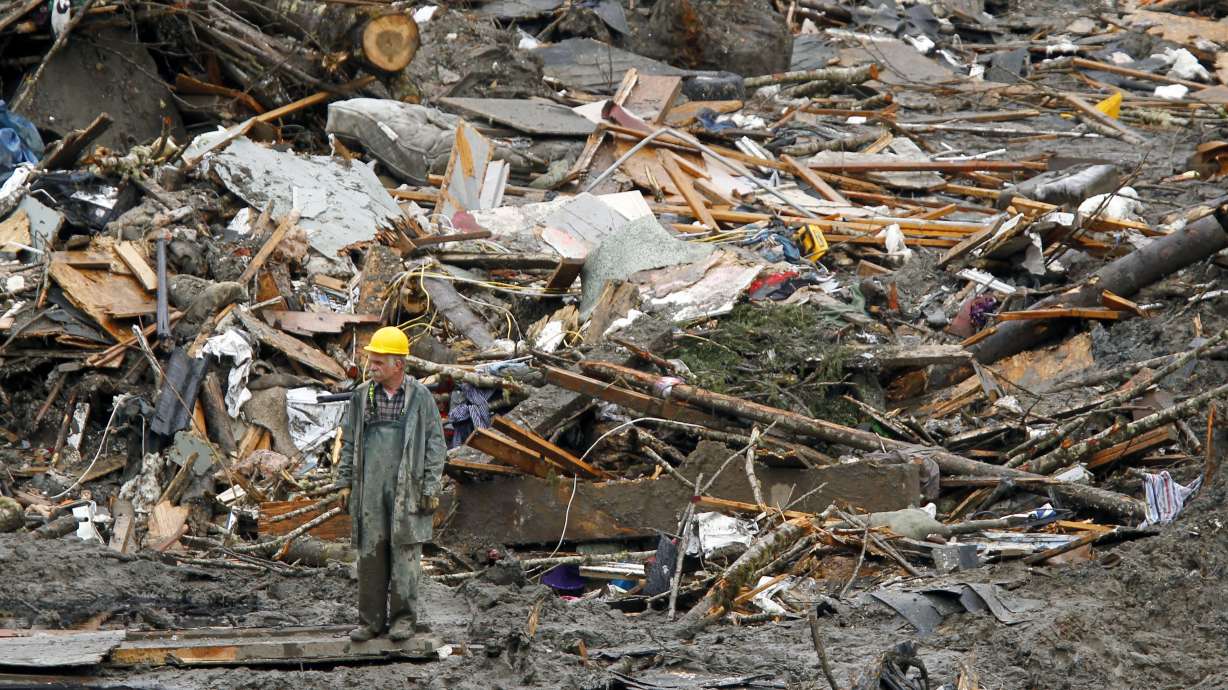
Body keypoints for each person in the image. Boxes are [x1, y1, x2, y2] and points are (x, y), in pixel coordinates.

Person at [335, 326, 446, 642]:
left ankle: (402, 621)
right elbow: (350, 442)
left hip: (407, 488)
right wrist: (344, 483)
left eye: (379, 361)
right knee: (370, 555)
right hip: (370, 487)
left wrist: (430, 488)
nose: (372, 367)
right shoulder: (361, 396)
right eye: (372, 360)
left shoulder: (420, 398)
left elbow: (436, 445)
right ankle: (371, 622)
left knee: (405, 555)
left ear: (399, 364)